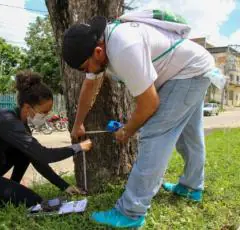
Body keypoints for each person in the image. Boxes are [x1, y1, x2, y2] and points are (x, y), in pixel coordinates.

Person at [62, 11, 216, 228]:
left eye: (85, 68)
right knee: (190, 135)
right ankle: (192, 187)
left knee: (154, 134)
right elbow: (90, 86)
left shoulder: (123, 48)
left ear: (97, 52)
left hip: (188, 73)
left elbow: (149, 104)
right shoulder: (104, 42)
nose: (86, 72)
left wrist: (127, 130)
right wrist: (78, 122)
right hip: (197, 68)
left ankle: (131, 212)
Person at [0, 70, 92, 220]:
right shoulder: (7, 122)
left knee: (25, 154)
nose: (46, 117)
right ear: (27, 107)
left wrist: (64, 186)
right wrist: (79, 147)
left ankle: (3, 191)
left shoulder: (20, 125)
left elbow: (37, 159)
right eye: (44, 112)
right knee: (34, 202)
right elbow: (44, 155)